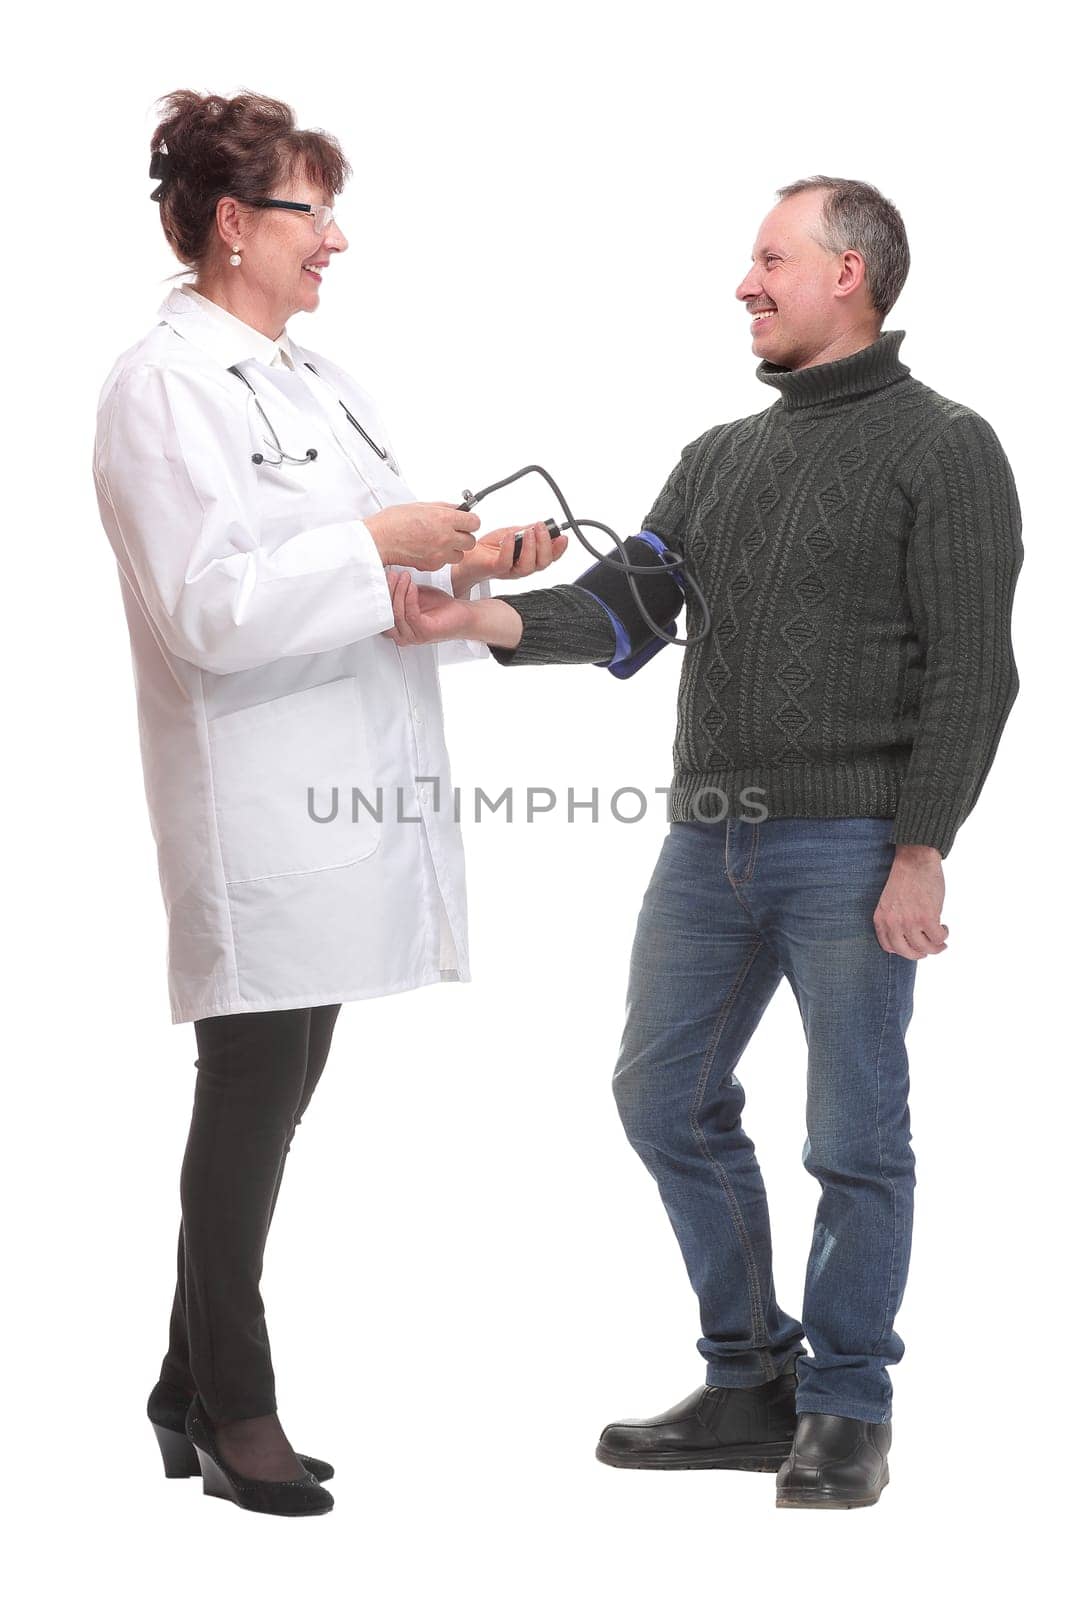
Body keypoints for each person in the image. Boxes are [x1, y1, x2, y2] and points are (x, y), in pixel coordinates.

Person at [383, 175, 1025, 1509]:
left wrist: (923, 849)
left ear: (847, 274)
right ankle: (749, 1383)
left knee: (855, 1134)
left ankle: (849, 1405)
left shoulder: (943, 444)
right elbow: (626, 609)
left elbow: (974, 669)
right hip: (707, 841)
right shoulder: (719, 456)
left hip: (850, 842)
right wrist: (474, 625)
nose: (746, 281)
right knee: (659, 1100)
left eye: (770, 258)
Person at [92, 88, 565, 1518]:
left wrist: (477, 565)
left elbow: (371, 576)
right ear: (234, 225)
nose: (337, 241)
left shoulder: (315, 377)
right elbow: (209, 611)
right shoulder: (160, 387)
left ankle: (185, 1384)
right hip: (258, 806)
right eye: (312, 213)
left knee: (278, 1093)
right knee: (250, 1099)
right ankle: (235, 1407)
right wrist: (374, 544)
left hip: (341, 797)